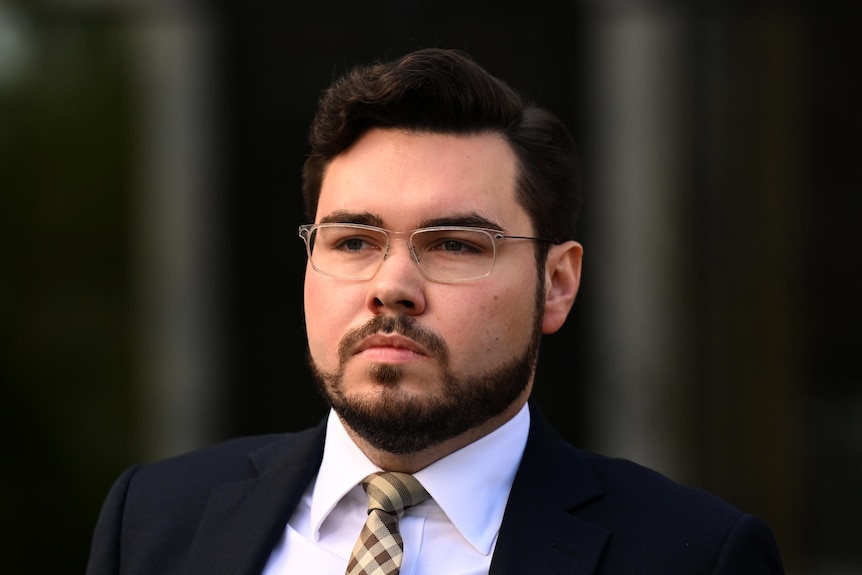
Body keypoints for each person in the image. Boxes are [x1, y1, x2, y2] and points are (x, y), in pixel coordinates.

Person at [86, 48, 784, 574]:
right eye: (353, 240)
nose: (392, 285)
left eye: (452, 243)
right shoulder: (154, 520)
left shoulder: (693, 555)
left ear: (558, 282)